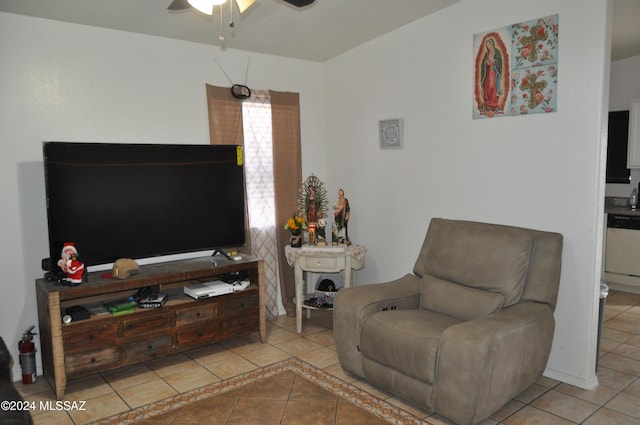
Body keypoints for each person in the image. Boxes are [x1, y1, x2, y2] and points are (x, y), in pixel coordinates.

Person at [480, 38, 503, 113]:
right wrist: (486, 62)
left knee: (493, 86)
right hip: (488, 73)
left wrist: (494, 61)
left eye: (489, 44)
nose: (488, 46)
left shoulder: (497, 52)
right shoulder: (486, 54)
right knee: (487, 86)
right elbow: (483, 64)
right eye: (487, 45)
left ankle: (494, 102)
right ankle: (487, 102)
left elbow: (499, 62)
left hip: (494, 72)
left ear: (492, 44)